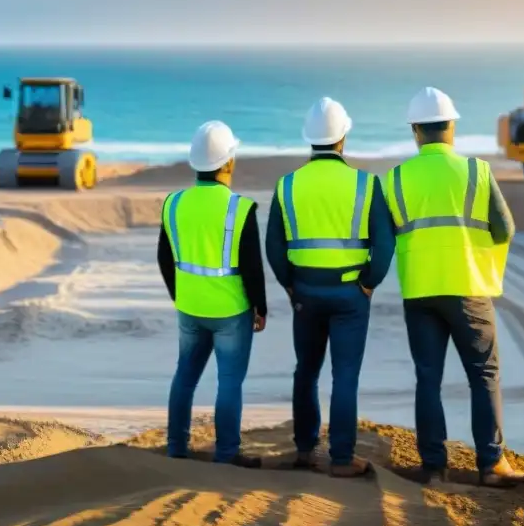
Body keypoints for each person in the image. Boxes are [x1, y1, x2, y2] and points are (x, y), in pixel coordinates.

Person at [382, 87, 524, 488]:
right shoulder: (477, 172)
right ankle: (492, 464)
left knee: (428, 378)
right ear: (452, 127)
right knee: (483, 375)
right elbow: (505, 229)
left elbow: (384, 236)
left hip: (419, 290)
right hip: (468, 288)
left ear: (415, 130)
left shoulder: (394, 178)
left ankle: (434, 467)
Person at [266, 97, 395, 477]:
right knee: (345, 375)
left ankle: (305, 450)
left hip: (305, 293)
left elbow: (273, 246)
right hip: (350, 293)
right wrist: (369, 282)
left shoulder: (287, 185)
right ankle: (341, 458)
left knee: (306, 371)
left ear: (309, 138)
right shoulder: (366, 184)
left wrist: (290, 285)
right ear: (343, 138)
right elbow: (385, 243)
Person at [157, 120, 267, 468]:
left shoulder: (173, 203)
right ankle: (227, 454)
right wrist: (260, 308)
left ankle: (176, 447)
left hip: (190, 307)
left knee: (185, 377)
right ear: (228, 161)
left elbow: (164, 257)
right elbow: (252, 267)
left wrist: (179, 296)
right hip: (230, 311)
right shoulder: (240, 208)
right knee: (230, 382)